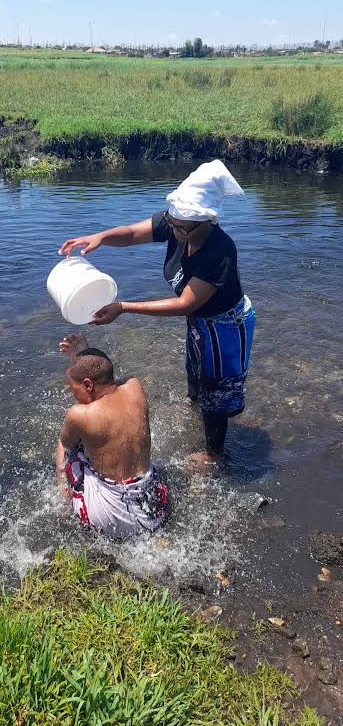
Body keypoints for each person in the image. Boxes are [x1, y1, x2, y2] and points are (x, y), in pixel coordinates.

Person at [58, 160, 255, 468]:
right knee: (196, 376)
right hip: (200, 323)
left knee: (216, 390)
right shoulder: (177, 222)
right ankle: (194, 411)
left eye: (180, 228)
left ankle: (214, 455)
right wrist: (98, 237)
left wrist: (124, 307)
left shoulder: (220, 251)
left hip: (225, 326)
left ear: (206, 222)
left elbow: (185, 304)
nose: (172, 230)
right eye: (172, 223)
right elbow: (133, 234)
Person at [55, 335, 167, 537]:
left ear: (88, 385)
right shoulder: (135, 386)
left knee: (68, 447)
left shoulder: (80, 414)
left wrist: (61, 485)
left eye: (73, 390)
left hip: (111, 517)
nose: (73, 396)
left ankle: (68, 498)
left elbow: (65, 444)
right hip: (154, 503)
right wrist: (84, 352)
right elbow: (106, 374)